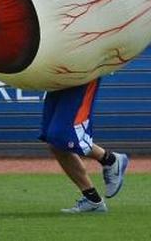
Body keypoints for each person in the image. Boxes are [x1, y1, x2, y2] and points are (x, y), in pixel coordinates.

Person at [40, 76, 129, 214]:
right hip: (56, 73)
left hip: (81, 73)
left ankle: (110, 160)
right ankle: (93, 200)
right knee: (55, 142)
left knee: (61, 136)